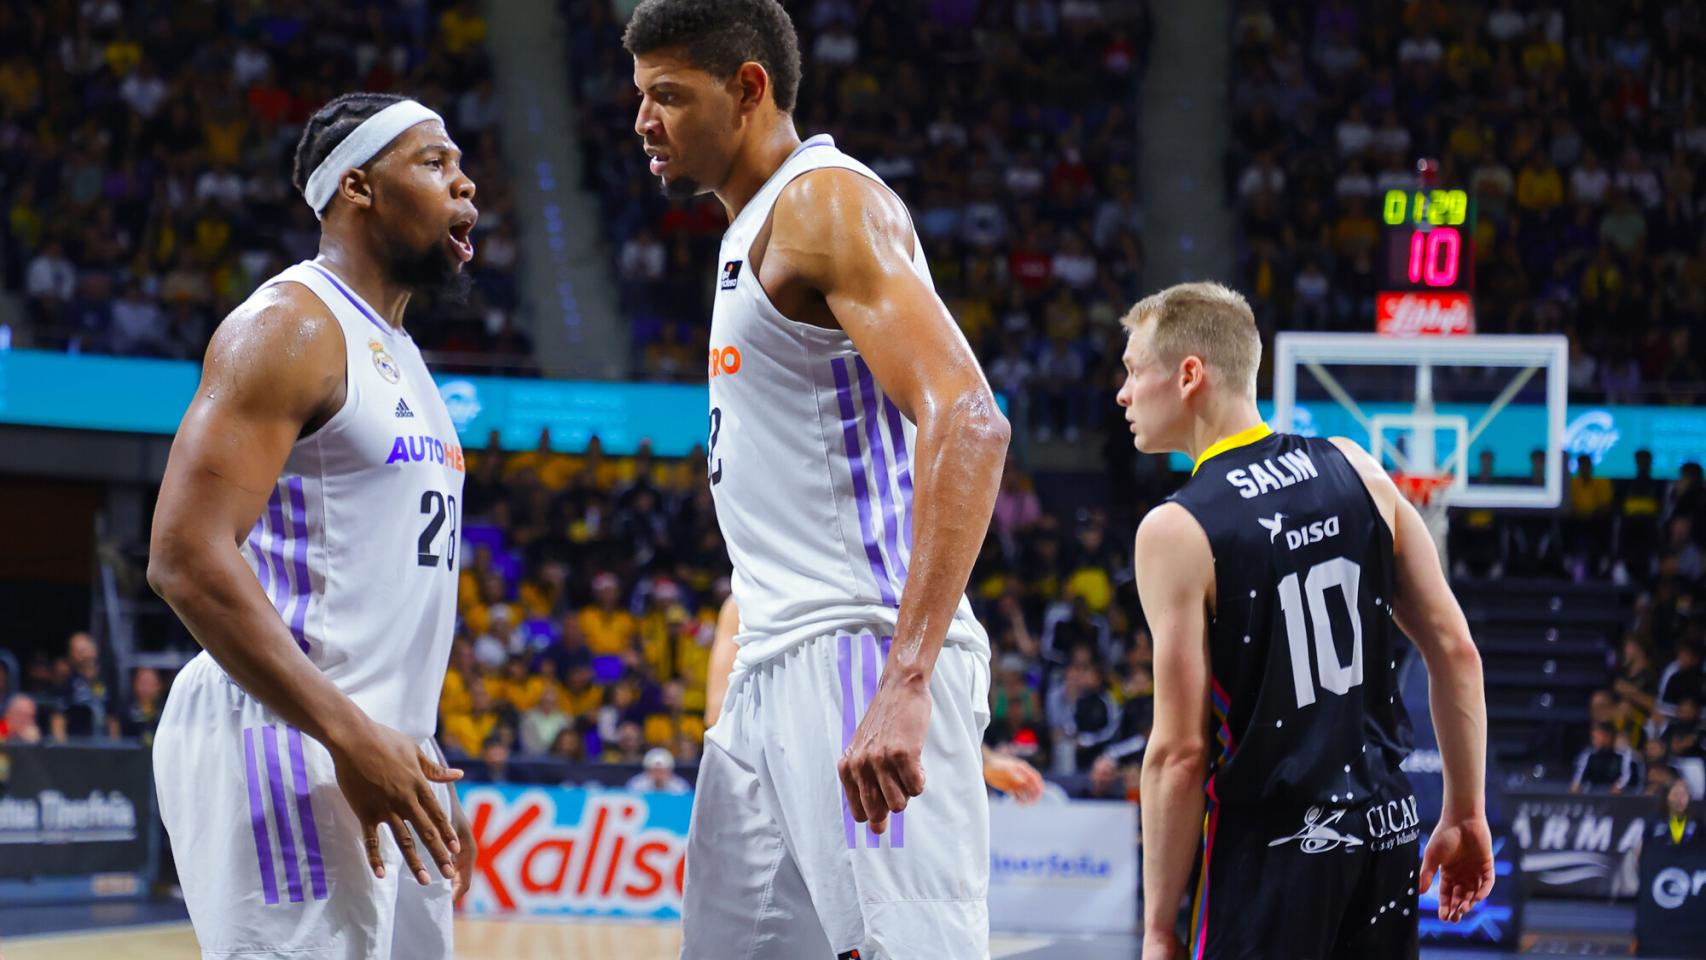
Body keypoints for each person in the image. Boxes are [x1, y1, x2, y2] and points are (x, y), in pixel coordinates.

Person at [628, 3, 1011, 957]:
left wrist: (907, 676)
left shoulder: (823, 201)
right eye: (641, 96)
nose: (643, 121)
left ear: (750, 87)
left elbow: (969, 418)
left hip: (856, 647)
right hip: (770, 667)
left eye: (669, 96)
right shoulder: (751, 228)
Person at [146, 92, 481, 959]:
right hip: (287, 735)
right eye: (434, 163)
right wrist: (346, 733)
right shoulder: (292, 324)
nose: (465, 185)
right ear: (358, 188)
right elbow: (184, 556)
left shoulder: (400, 355)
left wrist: (414, 758)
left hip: (376, 744)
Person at [1114, 283, 1493, 959]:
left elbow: (1179, 753)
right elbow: (1457, 651)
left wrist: (1156, 924)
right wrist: (1465, 811)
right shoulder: (1358, 466)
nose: (1123, 393)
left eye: (1133, 370)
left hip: (1273, 856)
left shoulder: (1175, 528)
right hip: (1384, 834)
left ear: (1189, 374)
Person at [1570, 722, 1639, 794]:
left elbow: (1627, 776)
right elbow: (1578, 777)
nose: (1594, 740)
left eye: (1597, 736)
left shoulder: (1624, 754)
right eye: (1593, 737)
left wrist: (1619, 786)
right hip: (1594, 793)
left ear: (1608, 736)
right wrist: (1575, 785)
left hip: (1621, 795)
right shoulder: (1588, 754)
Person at [1652, 779, 1701, 846]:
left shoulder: (1697, 823)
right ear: (1666, 797)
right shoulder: (1654, 822)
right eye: (1676, 794)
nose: (1680, 799)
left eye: (1683, 795)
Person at [627, 746, 693, 794]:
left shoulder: (680, 786)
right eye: (654, 770)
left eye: (662, 771)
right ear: (647, 770)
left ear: (669, 771)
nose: (658, 774)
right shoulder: (636, 784)